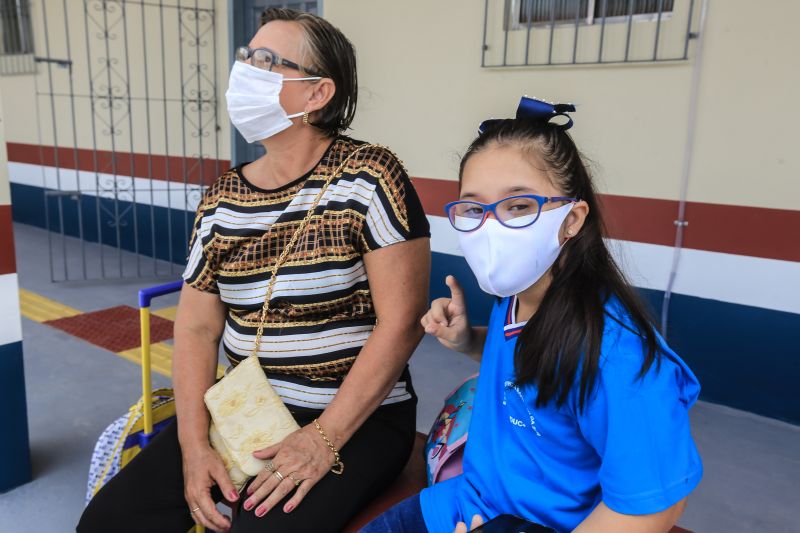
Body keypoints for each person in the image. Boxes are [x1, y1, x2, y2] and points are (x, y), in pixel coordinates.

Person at [78, 8, 430, 533]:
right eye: (247, 56)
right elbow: (197, 328)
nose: (245, 69)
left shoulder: (371, 177)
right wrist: (194, 447)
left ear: (317, 95)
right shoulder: (221, 199)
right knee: (109, 522)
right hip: (247, 407)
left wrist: (322, 438)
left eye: (268, 61)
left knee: (260, 526)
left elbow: (400, 324)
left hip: (357, 419)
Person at [361, 98, 702, 533]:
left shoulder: (618, 355)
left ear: (572, 219)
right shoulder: (520, 293)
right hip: (470, 500)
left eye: (518, 205)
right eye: (473, 208)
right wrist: (468, 340)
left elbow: (652, 506)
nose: (490, 226)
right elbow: (532, 362)